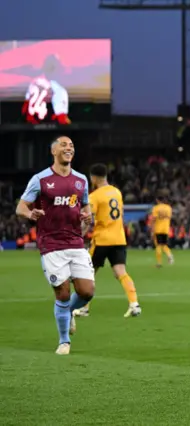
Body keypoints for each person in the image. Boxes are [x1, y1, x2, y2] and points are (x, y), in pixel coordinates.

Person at [15, 136, 94, 355]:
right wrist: (31, 213)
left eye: (71, 146)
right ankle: (64, 341)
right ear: (54, 151)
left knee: (87, 292)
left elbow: (86, 210)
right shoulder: (40, 179)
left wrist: (87, 221)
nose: (69, 148)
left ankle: (67, 313)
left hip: (76, 242)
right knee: (63, 293)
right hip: (51, 244)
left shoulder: (81, 180)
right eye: (64, 145)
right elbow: (20, 207)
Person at [74, 164, 141, 318]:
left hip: (102, 239)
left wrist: (79, 235)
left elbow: (87, 219)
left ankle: (84, 308)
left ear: (94, 178)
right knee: (121, 272)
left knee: (88, 273)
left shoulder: (95, 196)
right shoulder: (116, 192)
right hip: (119, 238)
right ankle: (134, 303)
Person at [150, 195, 174, 267]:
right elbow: (169, 217)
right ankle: (170, 255)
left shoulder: (156, 208)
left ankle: (159, 263)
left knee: (158, 245)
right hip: (166, 229)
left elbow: (153, 219)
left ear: (157, 200)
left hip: (158, 229)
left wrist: (152, 229)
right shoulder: (168, 208)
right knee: (163, 244)